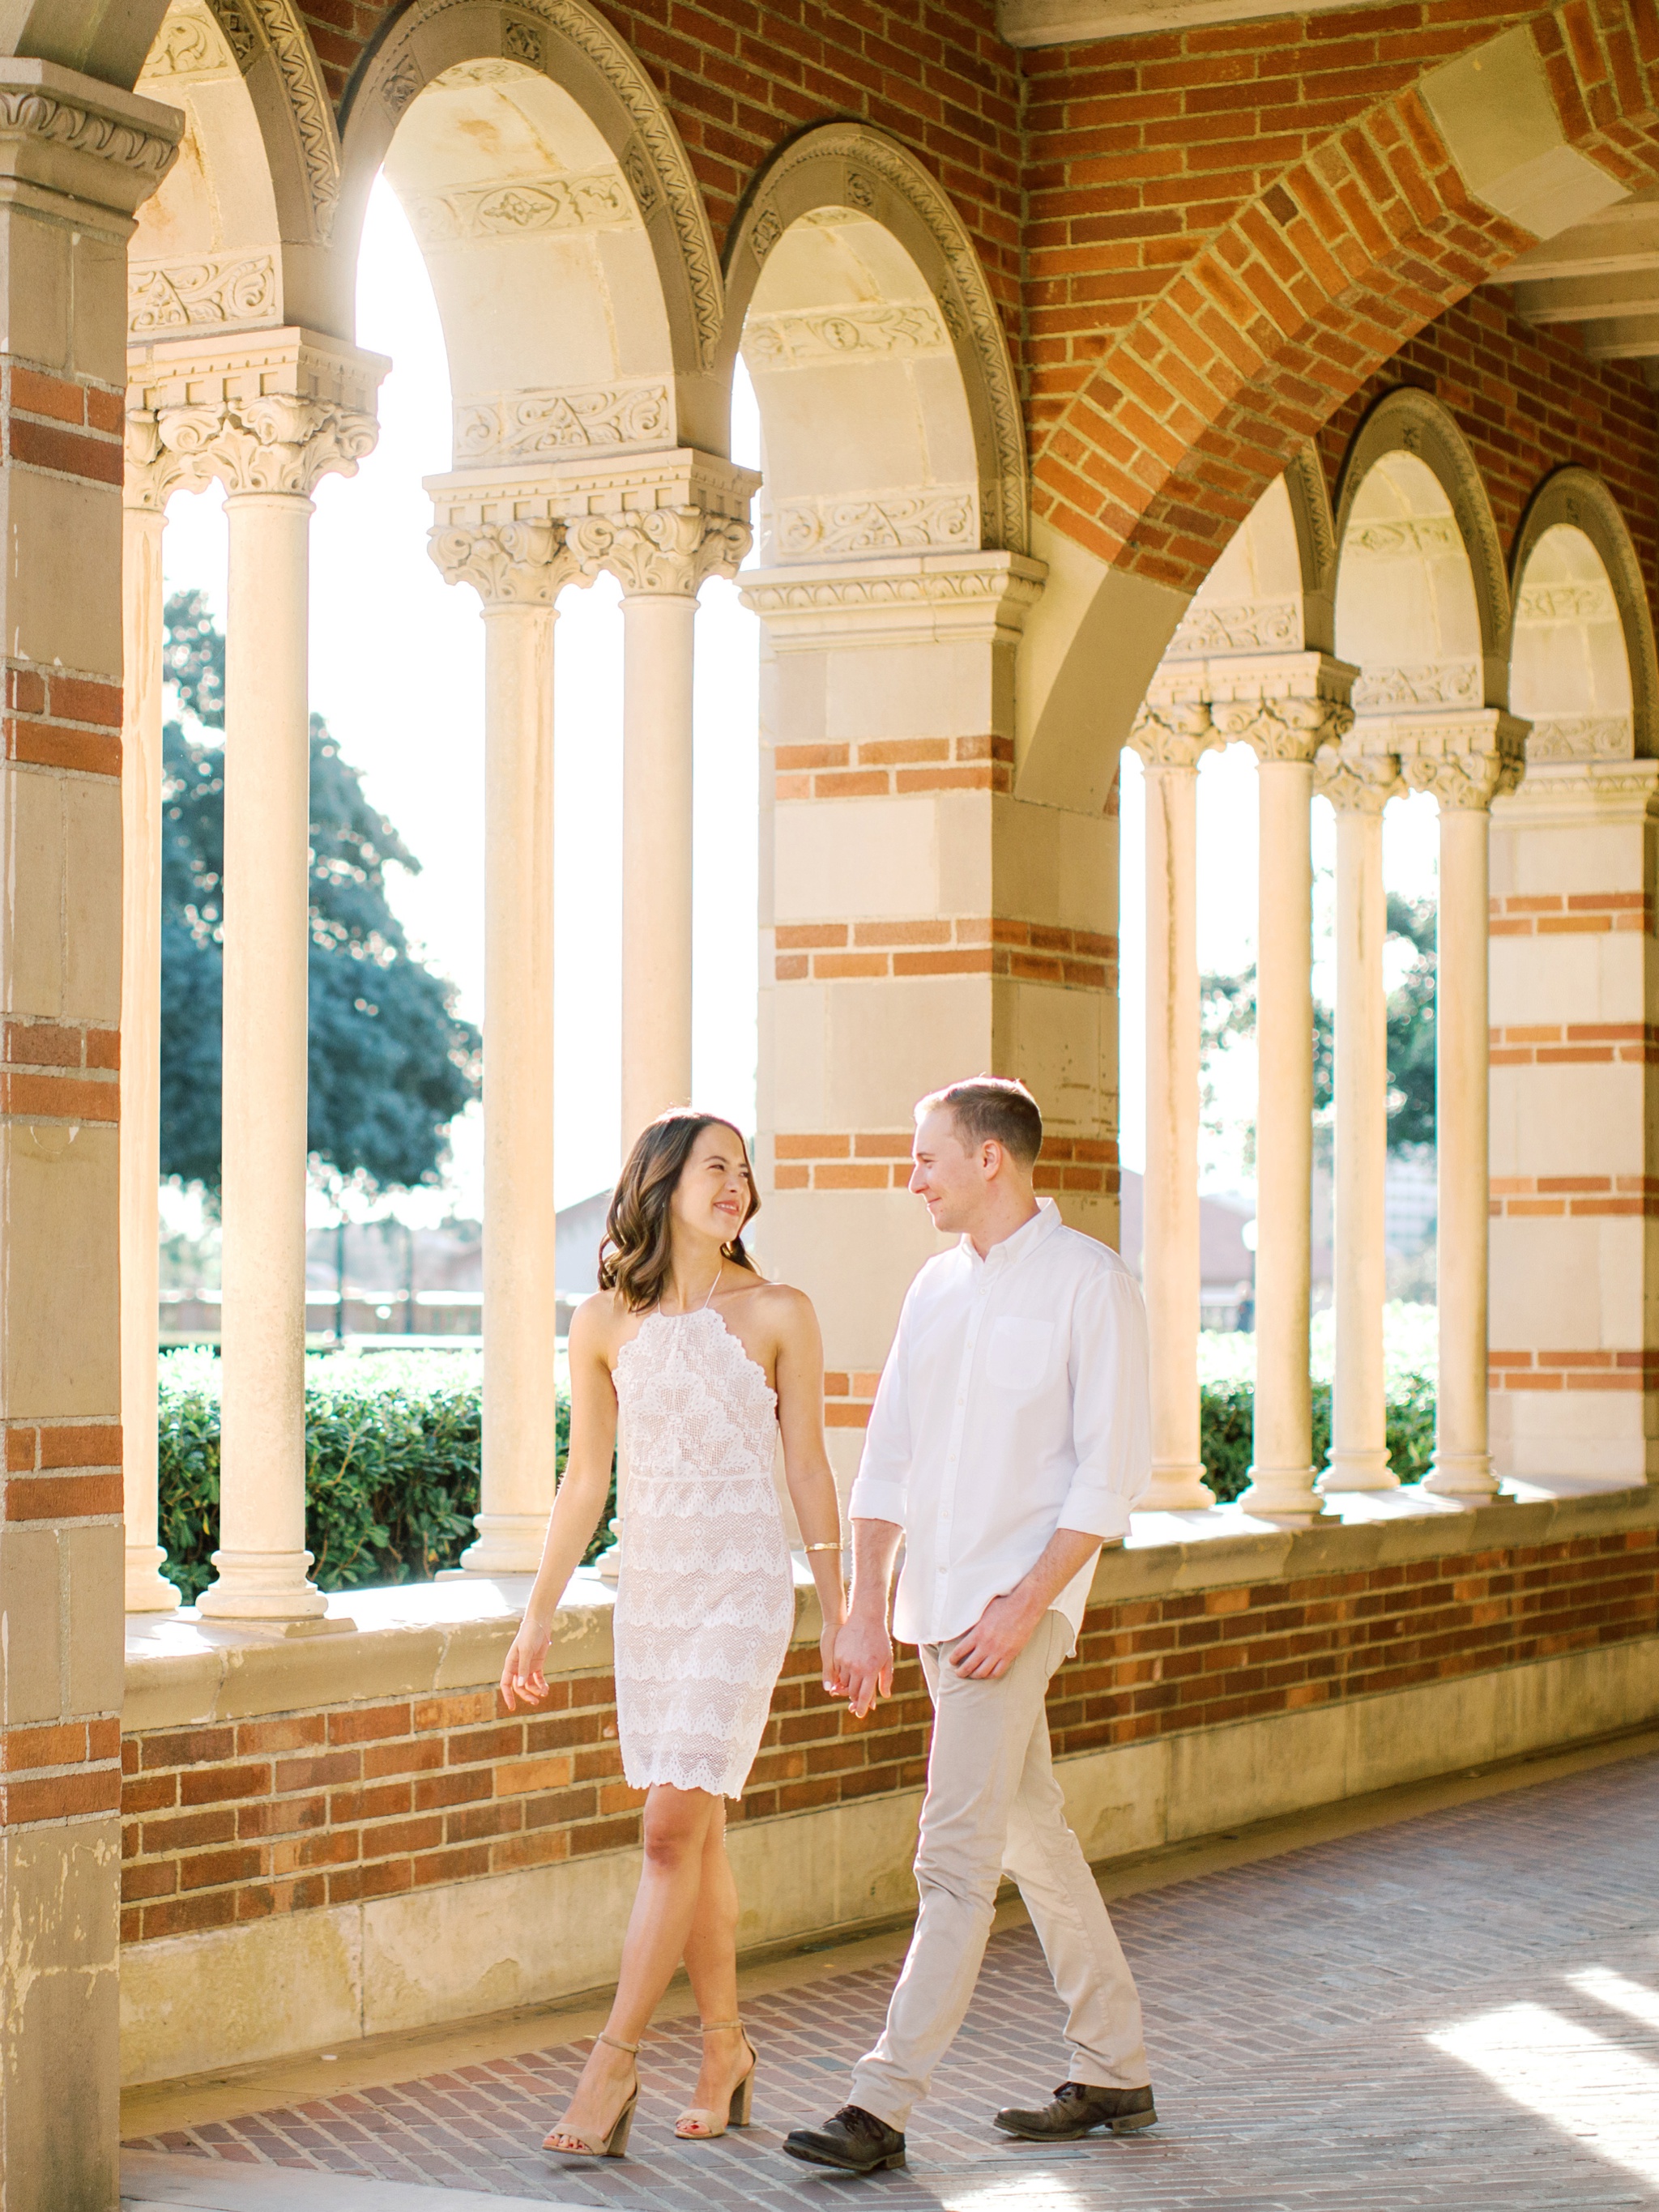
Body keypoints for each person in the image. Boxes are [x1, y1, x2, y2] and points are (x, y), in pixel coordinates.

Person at [783, 1076, 1156, 2176]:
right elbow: (886, 1460)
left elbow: (1110, 1478)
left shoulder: (1094, 1286)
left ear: (991, 1158)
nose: (915, 1178)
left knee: (952, 1859)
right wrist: (863, 1613)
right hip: (935, 1612)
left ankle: (880, 2102)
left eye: (928, 1158)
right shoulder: (933, 1291)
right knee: (1033, 1836)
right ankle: (1116, 2066)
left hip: (1013, 1611)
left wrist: (1024, 1605)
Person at [500, 1109, 847, 2160]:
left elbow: (808, 1469)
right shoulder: (602, 1323)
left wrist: (841, 1610)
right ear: (660, 1184)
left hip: (742, 1594)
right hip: (654, 1600)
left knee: (663, 1830)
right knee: (696, 1838)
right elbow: (585, 1480)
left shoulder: (781, 1310)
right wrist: (538, 1612)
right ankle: (727, 2049)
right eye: (714, 1168)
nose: (735, 1184)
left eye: (743, 1171)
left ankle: (612, 2063)